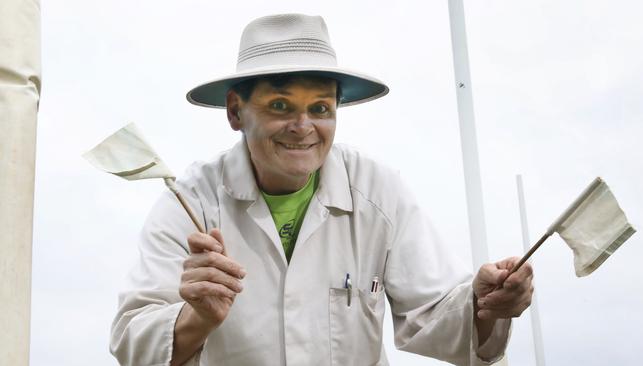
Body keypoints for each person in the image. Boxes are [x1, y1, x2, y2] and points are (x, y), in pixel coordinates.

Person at [110, 13, 533, 366]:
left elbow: (437, 315)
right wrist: (197, 317)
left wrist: (484, 304)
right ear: (236, 111)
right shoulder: (191, 202)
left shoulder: (378, 191)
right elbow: (132, 339)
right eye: (280, 106)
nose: (303, 127)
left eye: (320, 109)